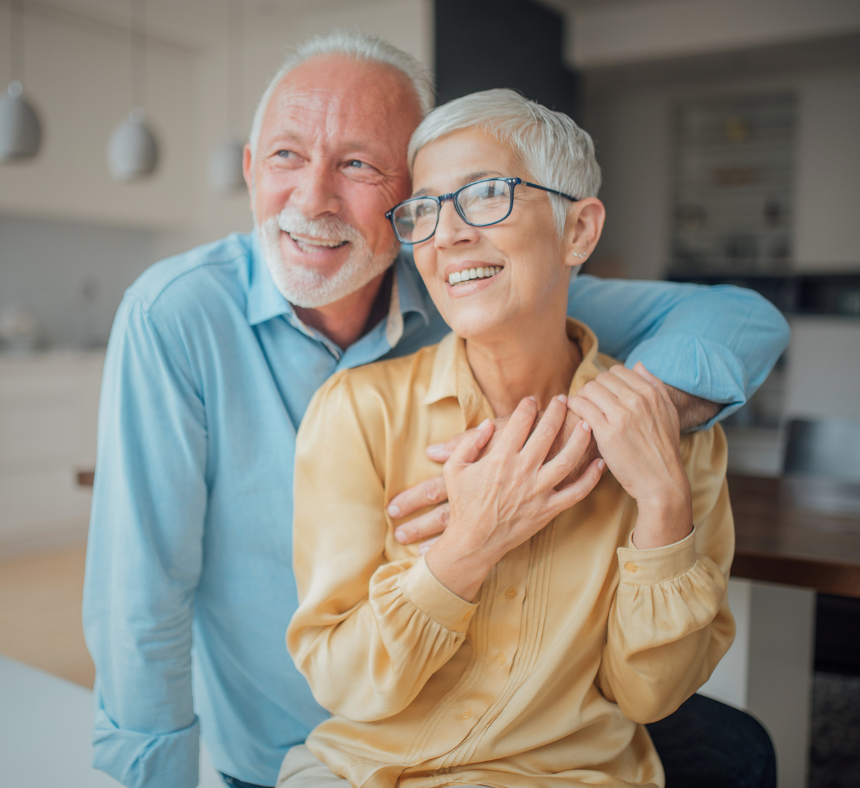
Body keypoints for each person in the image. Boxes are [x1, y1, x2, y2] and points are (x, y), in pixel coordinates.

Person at [83, 31, 785, 788]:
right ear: (252, 170)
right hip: (317, 741)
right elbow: (141, 594)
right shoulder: (180, 315)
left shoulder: (475, 281)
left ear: (399, 200)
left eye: (357, 164)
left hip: (535, 728)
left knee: (738, 750)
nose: (313, 197)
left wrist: (573, 442)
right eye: (286, 156)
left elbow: (740, 319)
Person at [283, 88, 736, 788]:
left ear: (579, 232)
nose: (449, 234)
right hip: (362, 775)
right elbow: (340, 679)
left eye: (487, 194)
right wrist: (469, 546)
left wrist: (664, 509)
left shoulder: (676, 436)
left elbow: (649, 695)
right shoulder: (356, 411)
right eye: (426, 210)